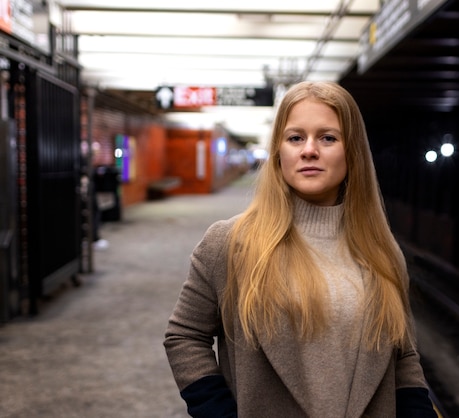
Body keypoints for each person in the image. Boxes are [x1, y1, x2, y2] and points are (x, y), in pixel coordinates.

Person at [163, 81, 438, 417]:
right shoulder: (229, 243)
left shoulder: (381, 251)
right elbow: (185, 336)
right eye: (295, 138)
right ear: (279, 152)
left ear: (352, 152)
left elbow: (403, 355)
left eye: (328, 137)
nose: (309, 150)